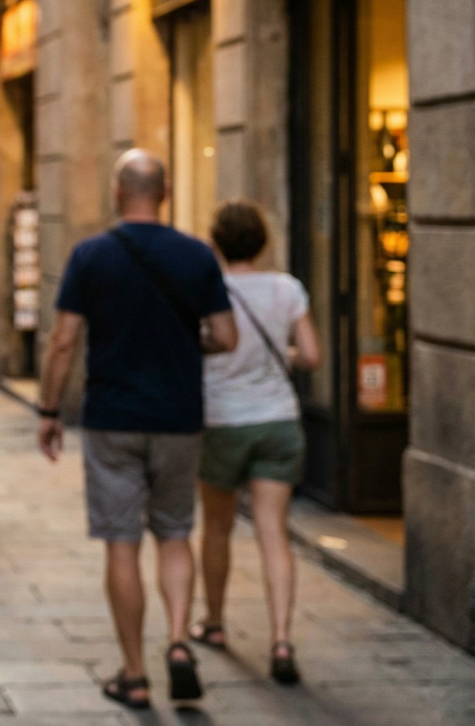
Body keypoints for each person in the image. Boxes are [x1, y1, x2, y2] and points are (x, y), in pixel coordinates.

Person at [36, 150, 238, 711]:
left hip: (113, 419)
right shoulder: (197, 255)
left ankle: (134, 672)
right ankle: (178, 641)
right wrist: (184, 344)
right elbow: (226, 335)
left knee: (121, 543)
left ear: (117, 192)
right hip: (179, 417)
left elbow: (62, 341)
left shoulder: (92, 255)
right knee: (174, 533)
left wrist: (49, 411)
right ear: (165, 192)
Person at [190, 200, 319, 685]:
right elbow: (311, 354)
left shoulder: (209, 289)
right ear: (263, 241)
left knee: (218, 528)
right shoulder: (286, 289)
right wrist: (281, 351)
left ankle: (216, 623)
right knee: (273, 532)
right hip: (279, 422)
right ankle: (281, 639)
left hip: (223, 420)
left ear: (216, 242)